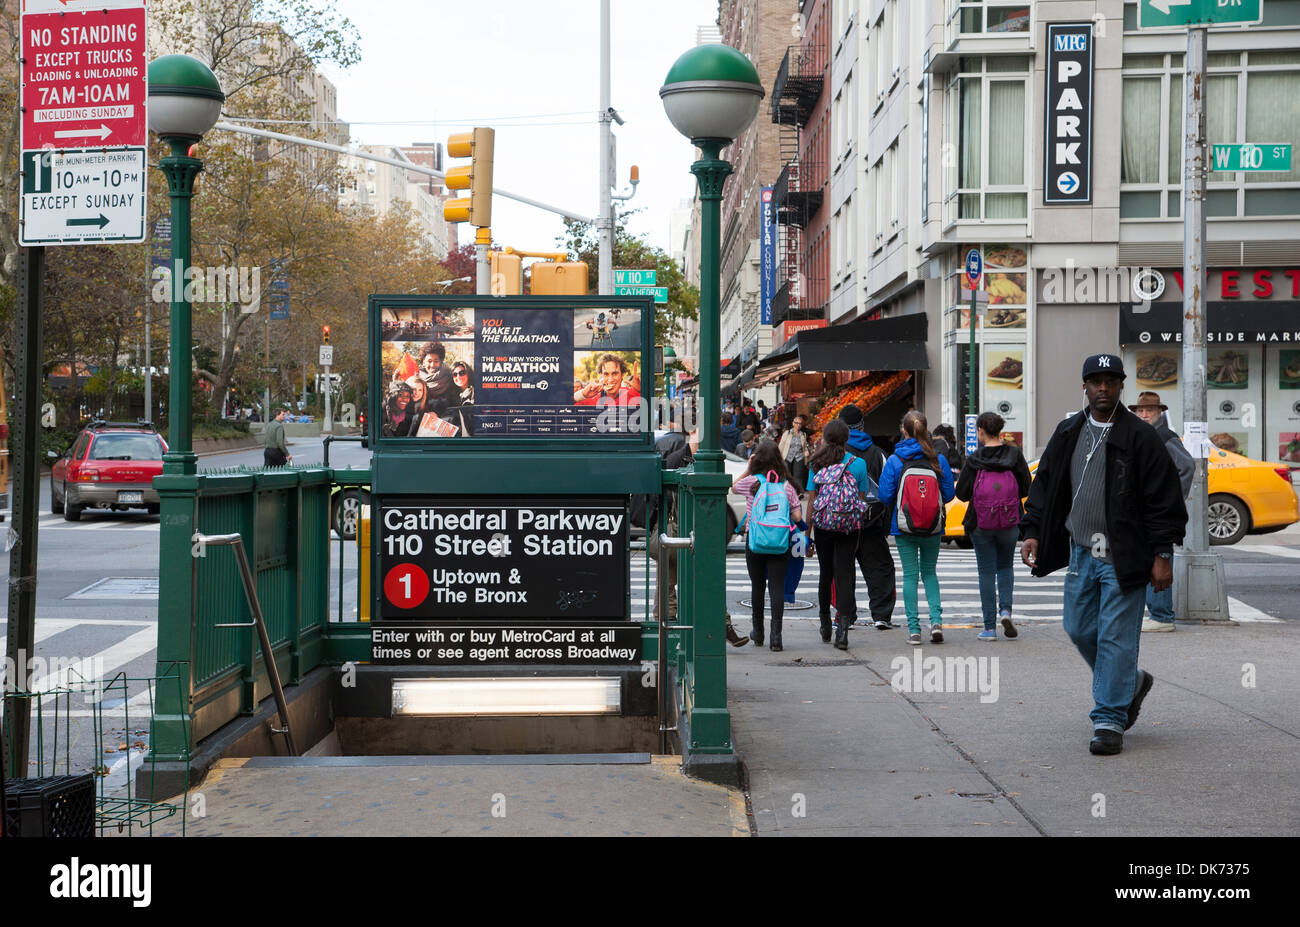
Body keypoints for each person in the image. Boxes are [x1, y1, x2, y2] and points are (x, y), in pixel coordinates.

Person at [1020, 354, 1188, 756]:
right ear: (1084, 386)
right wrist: (1032, 532)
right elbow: (1045, 486)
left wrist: (1162, 553)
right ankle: (1131, 680)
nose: (1103, 388)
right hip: (1081, 551)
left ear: (1120, 387)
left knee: (1115, 636)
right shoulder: (1068, 432)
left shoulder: (1140, 437)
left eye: (1111, 382)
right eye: (1095, 381)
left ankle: (1109, 718)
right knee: (1078, 628)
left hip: (1124, 556)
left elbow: (1163, 500)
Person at [878, 411, 955, 646]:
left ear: (904, 430)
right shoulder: (937, 459)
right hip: (932, 527)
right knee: (930, 573)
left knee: (910, 576)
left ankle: (914, 629)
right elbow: (950, 493)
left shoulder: (895, 460)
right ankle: (936, 622)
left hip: (904, 527)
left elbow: (884, 495)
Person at [954, 411, 1031, 640]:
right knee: (1006, 567)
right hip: (1009, 521)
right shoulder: (1014, 455)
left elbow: (962, 493)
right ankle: (1006, 610)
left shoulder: (975, 458)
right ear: (1000, 430)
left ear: (980, 431)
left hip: (981, 523)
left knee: (986, 572)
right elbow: (1026, 486)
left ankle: (989, 628)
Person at [1130, 390, 1195, 633]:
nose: (1144, 414)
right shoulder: (1144, 435)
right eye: (1141, 410)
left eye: (1150, 410)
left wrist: (1171, 497)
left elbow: (1186, 467)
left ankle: (1162, 615)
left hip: (1158, 511)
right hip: (1145, 509)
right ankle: (1159, 613)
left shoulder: (1164, 436)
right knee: (1151, 557)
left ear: (1159, 413)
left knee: (1160, 556)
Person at [805, 419, 874, 649]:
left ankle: (824, 623)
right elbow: (861, 499)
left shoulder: (817, 463)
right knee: (844, 575)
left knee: (826, 574)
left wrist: (808, 533)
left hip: (824, 526)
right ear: (847, 439)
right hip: (848, 527)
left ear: (825, 438)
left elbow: (812, 501)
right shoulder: (859, 464)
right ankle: (842, 631)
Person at [733, 440, 803, 651]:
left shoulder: (752, 482)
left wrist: (747, 468)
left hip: (755, 542)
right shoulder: (786, 486)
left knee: (757, 586)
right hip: (780, 542)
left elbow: (734, 487)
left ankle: (758, 633)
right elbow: (798, 515)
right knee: (776, 587)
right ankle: (776, 637)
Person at [838, 404, 897, 630]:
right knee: (880, 569)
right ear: (862, 425)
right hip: (872, 522)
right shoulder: (879, 454)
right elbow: (888, 491)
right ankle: (881, 615)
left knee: (842, 569)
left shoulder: (834, 453)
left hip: (840, 522)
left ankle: (845, 615)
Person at [574, 354, 641, 406]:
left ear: (622, 375)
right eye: (606, 374)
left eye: (615, 373)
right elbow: (565, 407)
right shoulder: (591, 398)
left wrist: (643, 392)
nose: (610, 379)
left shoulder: (633, 393)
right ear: (601, 375)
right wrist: (582, 394)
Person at [418, 342, 455, 411]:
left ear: (440, 362)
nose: (432, 365)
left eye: (436, 361)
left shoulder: (450, 377)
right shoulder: (417, 381)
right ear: (423, 362)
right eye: (429, 361)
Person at [779, 413, 812, 490]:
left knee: (798, 476)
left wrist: (806, 452)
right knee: (787, 475)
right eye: (796, 423)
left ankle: (798, 492)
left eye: (800, 423)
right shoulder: (787, 433)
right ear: (793, 423)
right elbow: (781, 446)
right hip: (787, 456)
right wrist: (779, 458)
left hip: (799, 457)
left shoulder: (803, 434)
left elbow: (804, 446)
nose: (798, 425)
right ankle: (786, 490)